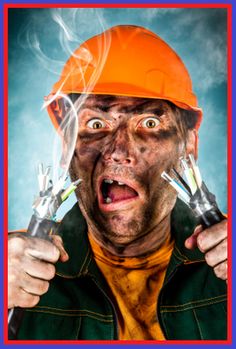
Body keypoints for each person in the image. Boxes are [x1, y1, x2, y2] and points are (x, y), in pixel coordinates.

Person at [8, 25, 227, 340]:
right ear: (66, 147)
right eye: (96, 123)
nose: (118, 151)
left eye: (149, 123)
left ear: (188, 143)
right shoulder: (13, 273)